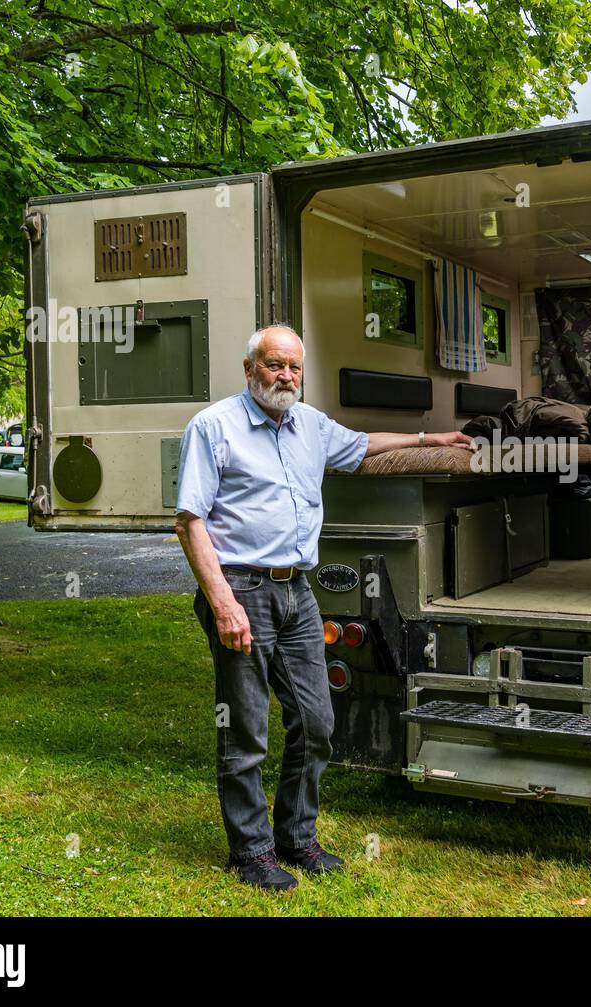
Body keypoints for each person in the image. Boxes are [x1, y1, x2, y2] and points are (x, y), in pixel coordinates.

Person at [174, 324, 472, 892]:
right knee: (245, 729)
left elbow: (362, 445)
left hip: (298, 592)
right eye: (273, 365)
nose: (286, 376)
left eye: (293, 367)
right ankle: (252, 851)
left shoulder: (310, 424)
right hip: (242, 590)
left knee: (317, 721)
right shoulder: (214, 427)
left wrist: (432, 438)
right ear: (249, 369)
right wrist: (222, 604)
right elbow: (190, 520)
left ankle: (295, 836)